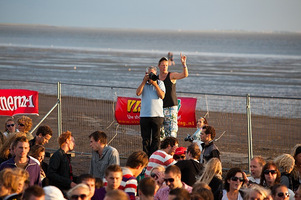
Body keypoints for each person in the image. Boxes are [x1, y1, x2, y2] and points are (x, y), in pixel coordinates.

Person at [136, 66, 165, 157]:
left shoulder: (160, 83)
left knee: (156, 139)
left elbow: (162, 96)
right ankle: (145, 158)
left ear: (156, 74)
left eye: (152, 73)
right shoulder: (143, 84)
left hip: (157, 115)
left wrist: (155, 84)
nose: (151, 75)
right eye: (149, 73)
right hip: (145, 115)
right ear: (146, 74)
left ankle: (153, 157)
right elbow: (137, 93)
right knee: (145, 139)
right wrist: (144, 81)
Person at [158, 54, 188, 139]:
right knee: (160, 134)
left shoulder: (171, 75)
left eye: (166, 65)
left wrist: (184, 64)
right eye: (163, 65)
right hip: (160, 108)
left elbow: (184, 75)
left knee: (171, 132)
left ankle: (172, 150)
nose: (165, 67)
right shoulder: (156, 78)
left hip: (171, 108)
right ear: (159, 66)